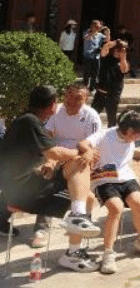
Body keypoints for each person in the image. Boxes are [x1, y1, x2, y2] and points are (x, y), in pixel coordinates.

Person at [0, 85, 102, 272]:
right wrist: (83, 154)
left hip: (24, 185)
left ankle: (74, 246)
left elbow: (47, 153)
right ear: (53, 105)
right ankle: (76, 227)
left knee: (87, 197)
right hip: (22, 193)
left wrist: (52, 162)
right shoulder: (29, 121)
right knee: (80, 164)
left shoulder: (28, 121)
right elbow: (54, 152)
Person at [28, 82, 103, 248]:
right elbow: (47, 138)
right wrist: (50, 160)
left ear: (85, 99)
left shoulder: (91, 116)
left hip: (80, 159)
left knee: (80, 174)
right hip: (59, 156)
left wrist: (86, 153)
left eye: (78, 98)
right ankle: (41, 230)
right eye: (69, 95)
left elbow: (93, 146)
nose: (71, 101)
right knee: (48, 181)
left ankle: (82, 221)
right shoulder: (56, 111)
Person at [80, 111, 140, 274]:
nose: (139, 138)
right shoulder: (105, 135)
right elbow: (83, 144)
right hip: (104, 178)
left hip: (125, 176)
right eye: (139, 134)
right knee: (115, 208)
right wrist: (89, 152)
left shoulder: (129, 139)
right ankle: (108, 253)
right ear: (130, 131)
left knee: (138, 202)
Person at [91, 39, 129, 127]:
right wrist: (117, 42)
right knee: (92, 114)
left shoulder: (123, 61)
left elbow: (124, 70)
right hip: (101, 91)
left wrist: (123, 56)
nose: (118, 51)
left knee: (112, 118)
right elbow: (105, 47)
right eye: (117, 49)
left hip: (113, 94)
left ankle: (111, 133)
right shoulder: (106, 57)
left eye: (121, 50)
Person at [82, 20, 105, 90]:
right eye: (96, 27)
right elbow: (85, 38)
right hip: (88, 56)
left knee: (95, 74)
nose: (97, 28)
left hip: (96, 57)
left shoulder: (101, 36)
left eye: (99, 27)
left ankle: (92, 88)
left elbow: (106, 40)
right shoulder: (86, 33)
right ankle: (85, 87)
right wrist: (91, 32)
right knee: (86, 73)